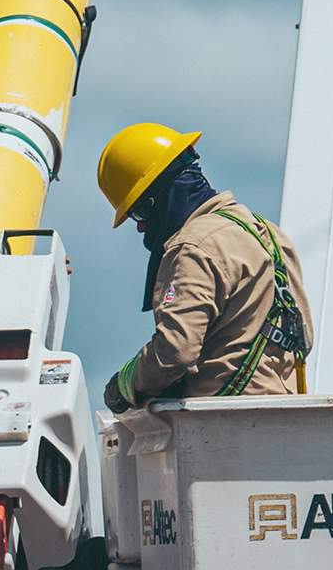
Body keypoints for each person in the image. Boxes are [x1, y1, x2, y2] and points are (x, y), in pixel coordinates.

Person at [93, 123, 312, 413]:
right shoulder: (270, 235)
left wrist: (127, 383)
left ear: (159, 198)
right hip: (290, 419)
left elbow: (175, 351)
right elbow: (303, 337)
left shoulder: (193, 247)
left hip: (225, 430)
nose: (142, 227)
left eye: (138, 213)